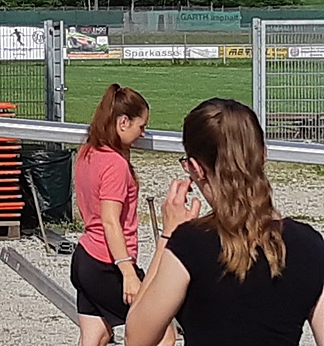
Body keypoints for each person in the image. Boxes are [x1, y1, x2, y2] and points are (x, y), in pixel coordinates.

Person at [126, 98, 324, 346]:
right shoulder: (309, 244)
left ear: (196, 168)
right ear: (263, 155)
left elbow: (137, 337)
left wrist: (168, 235)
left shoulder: (190, 244)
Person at [70, 84, 174, 346]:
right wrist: (128, 271)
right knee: (162, 335)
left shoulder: (88, 152)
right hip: (108, 263)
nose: (143, 133)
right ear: (123, 122)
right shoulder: (114, 164)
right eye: (141, 126)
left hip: (85, 257)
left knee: (96, 336)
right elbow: (110, 221)